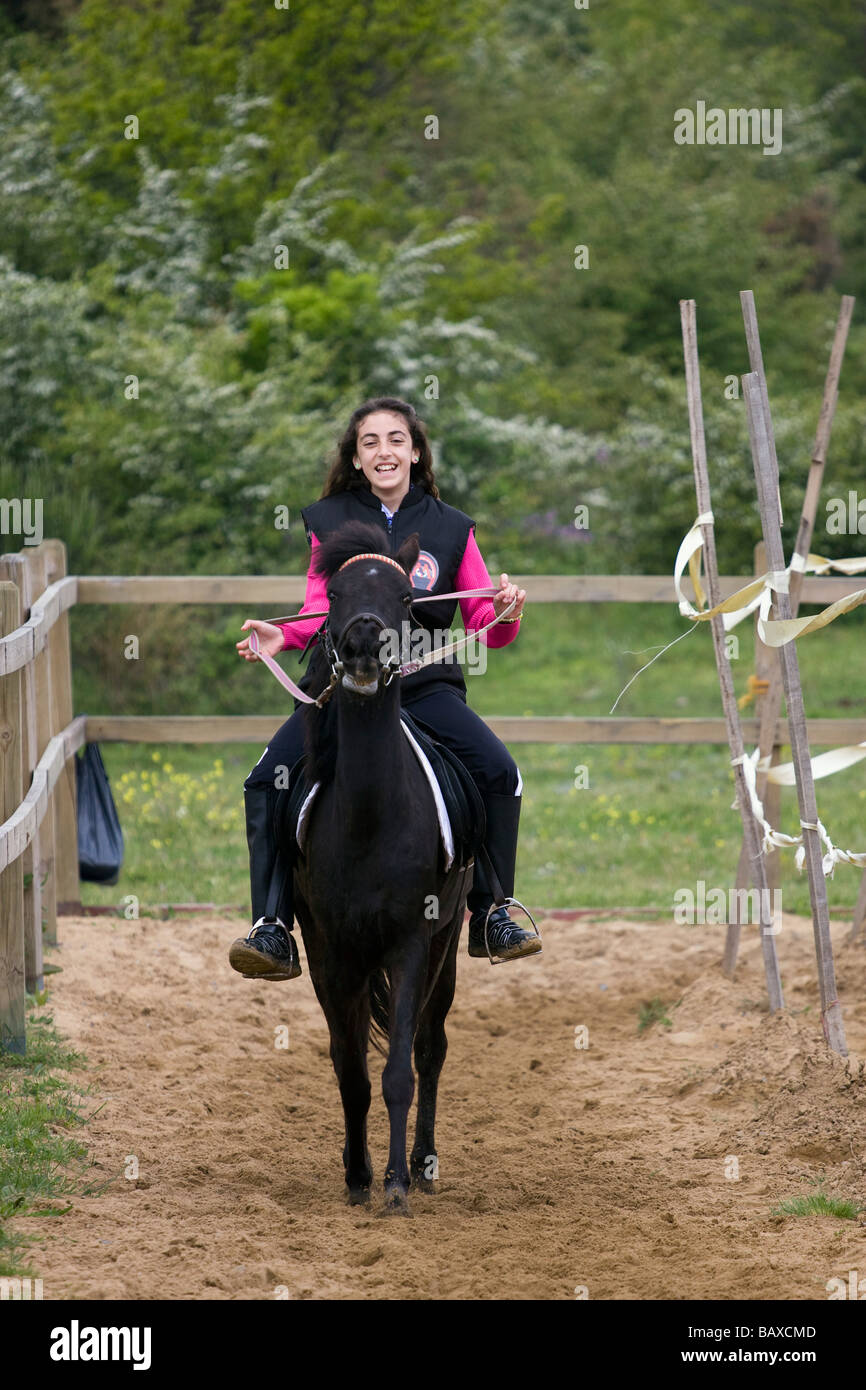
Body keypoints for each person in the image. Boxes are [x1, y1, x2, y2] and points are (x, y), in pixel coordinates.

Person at [228, 396, 541, 982]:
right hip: (340, 690)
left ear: (416, 451)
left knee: (501, 771)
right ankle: (271, 926)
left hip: (424, 688)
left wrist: (505, 611)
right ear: (356, 456)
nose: (384, 451)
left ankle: (492, 911)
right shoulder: (328, 518)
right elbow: (320, 609)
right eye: (370, 441)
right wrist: (284, 637)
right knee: (265, 778)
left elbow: (483, 626)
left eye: (396, 439)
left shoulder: (452, 528)